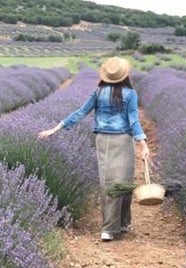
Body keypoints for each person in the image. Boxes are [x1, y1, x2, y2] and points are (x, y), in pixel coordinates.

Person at [37, 57, 148, 241]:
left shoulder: (99, 92)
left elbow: (80, 112)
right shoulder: (130, 93)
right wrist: (142, 143)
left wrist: (56, 128)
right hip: (122, 141)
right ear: (125, 75)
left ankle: (114, 226)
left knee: (108, 182)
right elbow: (133, 119)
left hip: (102, 140)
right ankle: (117, 225)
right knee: (124, 181)